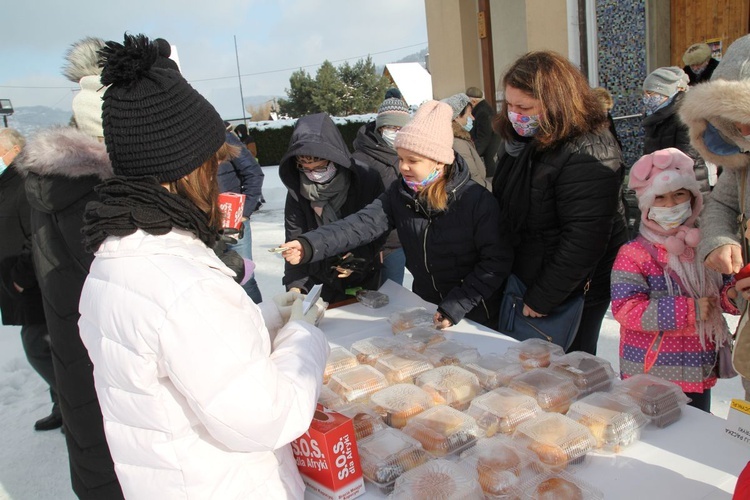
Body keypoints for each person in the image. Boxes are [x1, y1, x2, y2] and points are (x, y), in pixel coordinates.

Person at [77, 34, 329, 499]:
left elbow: (195, 359)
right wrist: (303, 335)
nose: (219, 183)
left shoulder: (117, 259)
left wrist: (272, 316)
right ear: (185, 173)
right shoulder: (181, 284)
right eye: (213, 167)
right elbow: (265, 416)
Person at [281, 101, 513, 328]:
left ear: (439, 162)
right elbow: (361, 224)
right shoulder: (401, 194)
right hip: (429, 307)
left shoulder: (476, 201)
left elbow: (495, 262)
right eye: (400, 158)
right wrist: (309, 245)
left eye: (413, 160)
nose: (403, 167)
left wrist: (456, 305)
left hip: (476, 314)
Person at [17, 36, 125, 498]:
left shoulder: (53, 179)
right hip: (109, 365)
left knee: (94, 455)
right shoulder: (97, 191)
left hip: (78, 355)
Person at [492, 51, 628, 355]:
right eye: (510, 105)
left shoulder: (590, 147)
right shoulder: (526, 141)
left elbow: (585, 238)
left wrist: (543, 296)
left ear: (556, 102)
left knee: (568, 375)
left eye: (524, 107)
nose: (514, 114)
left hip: (569, 289)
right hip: (530, 275)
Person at [611, 148, 738, 413]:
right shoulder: (634, 254)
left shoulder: (706, 245)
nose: (671, 205)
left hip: (698, 368)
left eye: (679, 195)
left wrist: (733, 295)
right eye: (661, 198)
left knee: (694, 435)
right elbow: (626, 309)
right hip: (651, 373)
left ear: (693, 199)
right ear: (646, 205)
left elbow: (723, 287)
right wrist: (688, 310)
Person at [679, 33, 750, 398]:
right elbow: (722, 206)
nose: (742, 130)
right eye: (734, 120)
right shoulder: (743, 164)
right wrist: (719, 241)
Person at [278, 112, 386, 304]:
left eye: (319, 168)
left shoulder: (366, 179)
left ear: (335, 159)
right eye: (305, 168)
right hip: (319, 278)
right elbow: (295, 241)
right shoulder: (297, 190)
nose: (312, 174)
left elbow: (378, 225)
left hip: (363, 275)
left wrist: (359, 258)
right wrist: (295, 287)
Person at [0, 129, 58, 431]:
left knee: (39, 347)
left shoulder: (23, 182)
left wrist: (21, 279)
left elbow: (36, 236)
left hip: (33, 285)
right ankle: (62, 406)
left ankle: (72, 405)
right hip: (21, 284)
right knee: (44, 346)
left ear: (11, 150)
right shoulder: (10, 180)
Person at [636, 66, 711, 235]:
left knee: (688, 235)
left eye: (651, 93)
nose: (647, 98)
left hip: (685, 190)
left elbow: (687, 159)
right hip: (664, 190)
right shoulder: (657, 117)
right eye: (645, 93)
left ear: (666, 93)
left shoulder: (684, 116)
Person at [352, 97, 411, 285]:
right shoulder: (361, 160)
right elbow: (357, 206)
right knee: (390, 296)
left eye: (401, 128)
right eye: (392, 128)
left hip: (412, 237)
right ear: (380, 128)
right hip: (386, 245)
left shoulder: (409, 153)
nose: (397, 133)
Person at [217, 128, 265, 303]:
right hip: (199, 227)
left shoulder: (223, 137)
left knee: (244, 278)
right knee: (213, 283)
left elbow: (253, 173)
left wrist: (244, 212)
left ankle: (263, 323)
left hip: (233, 222)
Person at [441, 92, 491, 190]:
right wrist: (488, 190)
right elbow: (473, 175)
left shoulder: (460, 138)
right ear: (456, 116)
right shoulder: (458, 142)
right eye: (469, 113)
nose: (472, 118)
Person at [466, 86, 501, 179]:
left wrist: (475, 152)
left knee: (489, 164)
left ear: (473, 101)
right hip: (490, 142)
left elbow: (484, 136)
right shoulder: (482, 108)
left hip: (489, 144)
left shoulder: (482, 112)